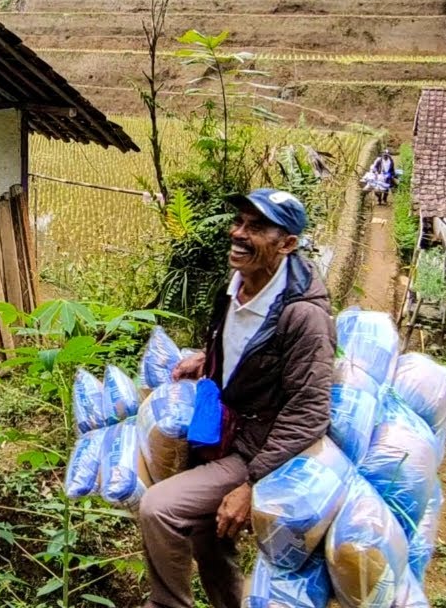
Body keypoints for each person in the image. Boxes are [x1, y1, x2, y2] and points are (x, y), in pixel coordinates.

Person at [138, 188, 336, 608]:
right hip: (220, 430)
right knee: (207, 538)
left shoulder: (303, 316)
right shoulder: (236, 287)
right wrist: (207, 357)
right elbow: (245, 349)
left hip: (255, 448)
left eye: (257, 227)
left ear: (287, 244)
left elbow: (309, 410)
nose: (239, 233)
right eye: (239, 222)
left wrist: (252, 483)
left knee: (160, 508)